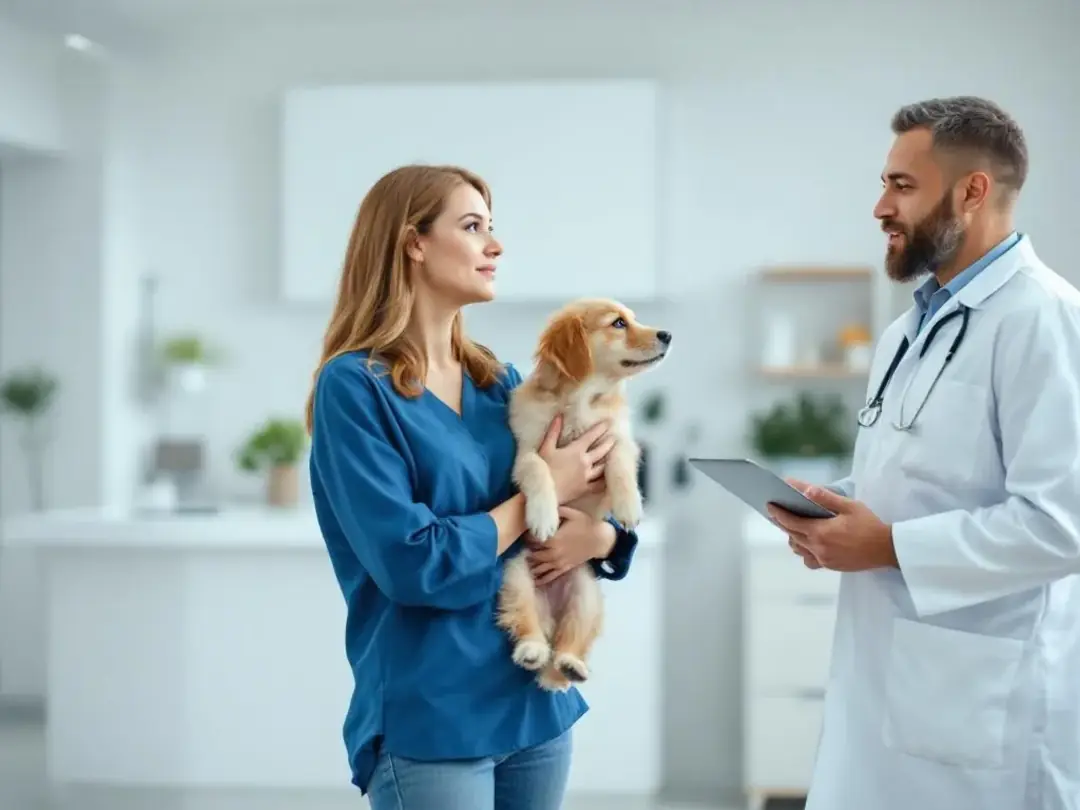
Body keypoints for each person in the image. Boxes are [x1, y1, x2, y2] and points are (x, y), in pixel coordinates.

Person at [768, 96, 1080, 809]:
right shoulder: (912, 328)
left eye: (901, 186)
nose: (880, 207)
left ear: (972, 192)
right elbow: (923, 471)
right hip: (891, 674)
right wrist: (830, 510)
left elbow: (1063, 524)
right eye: (884, 184)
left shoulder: (1046, 319)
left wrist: (888, 546)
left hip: (981, 699)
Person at [303, 164, 640, 810]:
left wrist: (602, 536)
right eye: (472, 226)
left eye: (493, 227)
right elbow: (412, 562)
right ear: (413, 242)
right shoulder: (354, 389)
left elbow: (590, 506)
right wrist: (530, 503)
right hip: (432, 718)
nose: (496, 245)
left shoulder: (498, 381)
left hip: (532, 706)